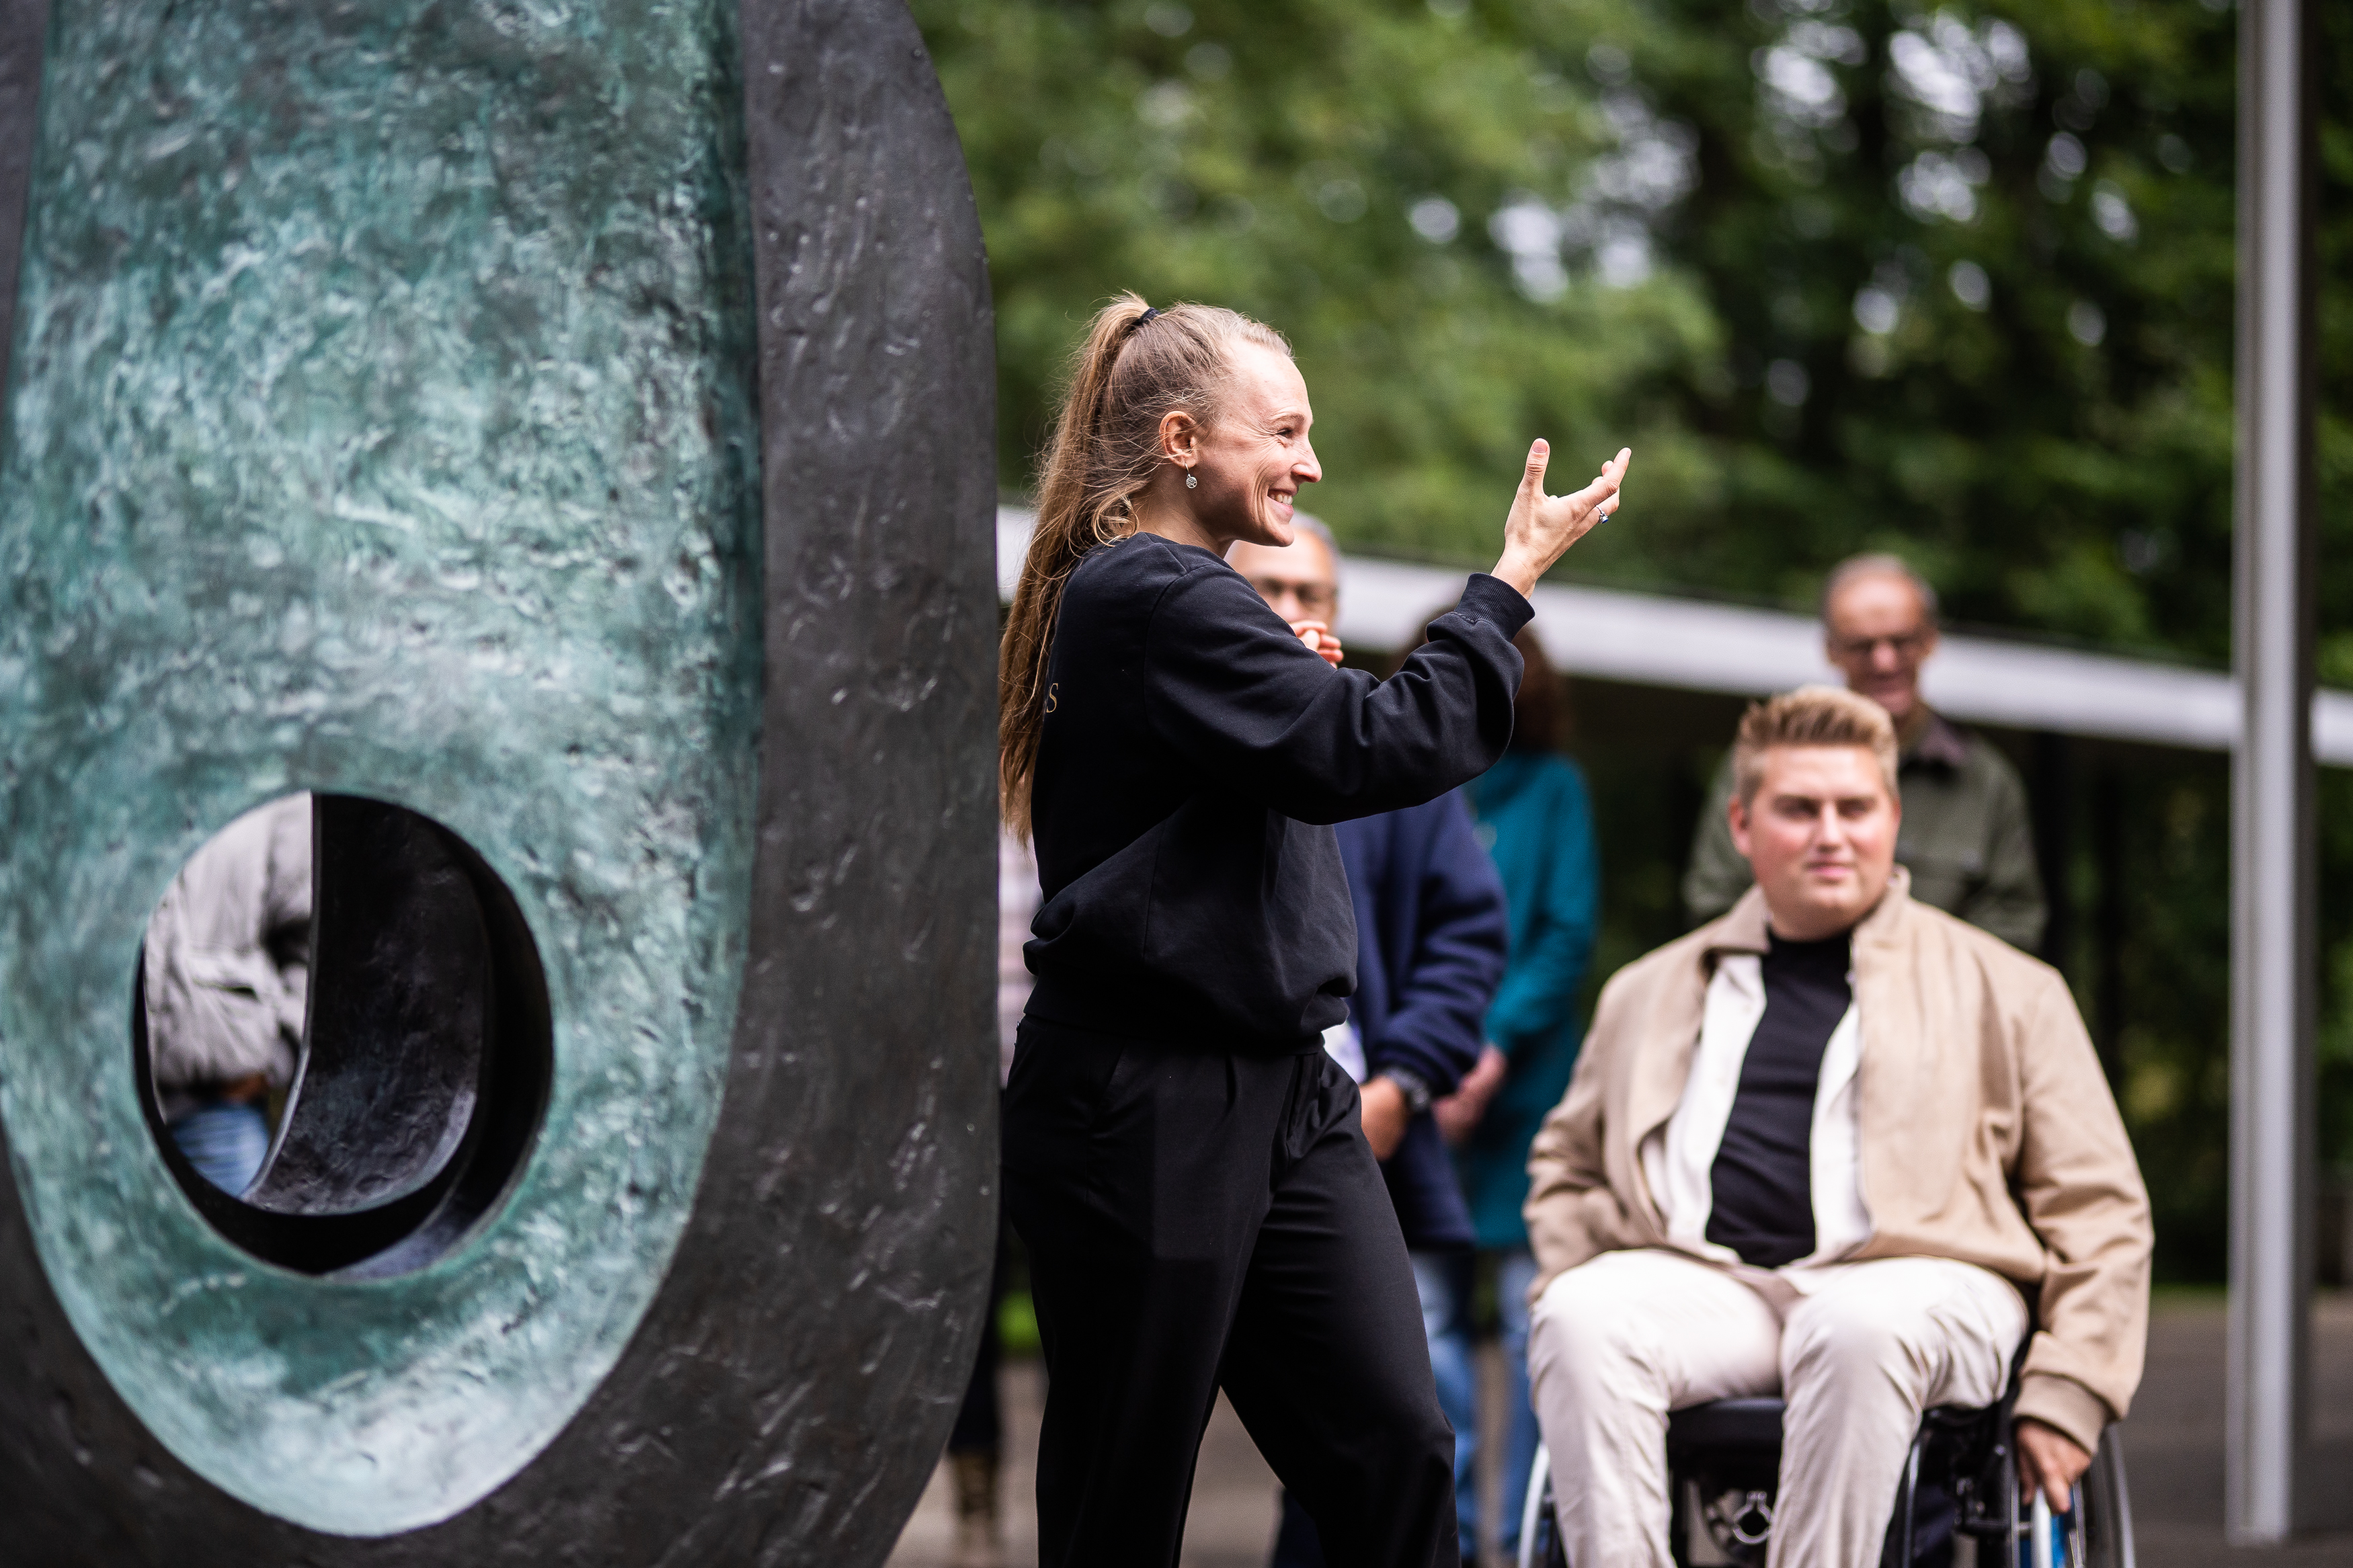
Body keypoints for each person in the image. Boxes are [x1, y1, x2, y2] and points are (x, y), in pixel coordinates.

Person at [997, 291, 1629, 1568]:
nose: (1310, 463)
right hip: (1146, 1097)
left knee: (1394, 1444)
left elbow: (1301, 753)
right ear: (1183, 440)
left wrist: (1292, 680)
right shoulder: (1147, 591)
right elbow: (1381, 744)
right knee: (1123, 1488)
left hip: (1291, 1092)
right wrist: (1505, 586)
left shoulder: (1194, 605)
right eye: (1283, 432)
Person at [1523, 687, 2151, 1568]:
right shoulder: (1650, 990)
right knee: (1582, 1314)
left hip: (1926, 1278)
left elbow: (2100, 1208)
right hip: (1716, 1284)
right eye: (1798, 808)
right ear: (1742, 825)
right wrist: (1582, 1255)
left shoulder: (2007, 988)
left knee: (1856, 1324)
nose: (1830, 832)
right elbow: (1566, 1164)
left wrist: (2070, 1386)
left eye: (1854, 807)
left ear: (1891, 817)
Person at [1226, 520, 1511, 1568]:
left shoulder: (1392, 760)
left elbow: (1469, 938)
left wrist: (1399, 1086)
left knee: (1394, 1419)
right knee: (1148, 1426)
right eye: (1269, 584)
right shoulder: (1185, 736)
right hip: (1197, 1128)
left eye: (1317, 588)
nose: (1298, 603)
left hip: (1369, 1136)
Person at [1431, 626, 1599, 1565]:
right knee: (1426, 1328)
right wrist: (1435, 1059)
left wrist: (1488, 1047)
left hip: (1529, 1102)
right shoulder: (1412, 784)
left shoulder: (1556, 789)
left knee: (1536, 1326)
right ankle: (1446, 1537)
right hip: (1421, 1102)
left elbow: (1567, 934)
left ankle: (1525, 1537)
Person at [1681, 554, 2044, 950]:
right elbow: (1714, 906)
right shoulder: (1767, 763)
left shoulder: (1986, 782)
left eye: (1901, 641)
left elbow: (2014, 931)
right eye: (1861, 645)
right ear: (1831, 650)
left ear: (1930, 641)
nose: (1884, 661)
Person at [944, 827, 1043, 1568]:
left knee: (1065, 1288)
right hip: (963, 1094)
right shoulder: (943, 821)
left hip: (1049, 1082)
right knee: (967, 1299)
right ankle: (975, 1502)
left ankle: (1068, 1491)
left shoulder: (1049, 805)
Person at [142, 792, 313, 1194]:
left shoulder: (268, 773)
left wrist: (277, 1058)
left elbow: (312, 935)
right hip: (78, 1105)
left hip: (215, 1111)